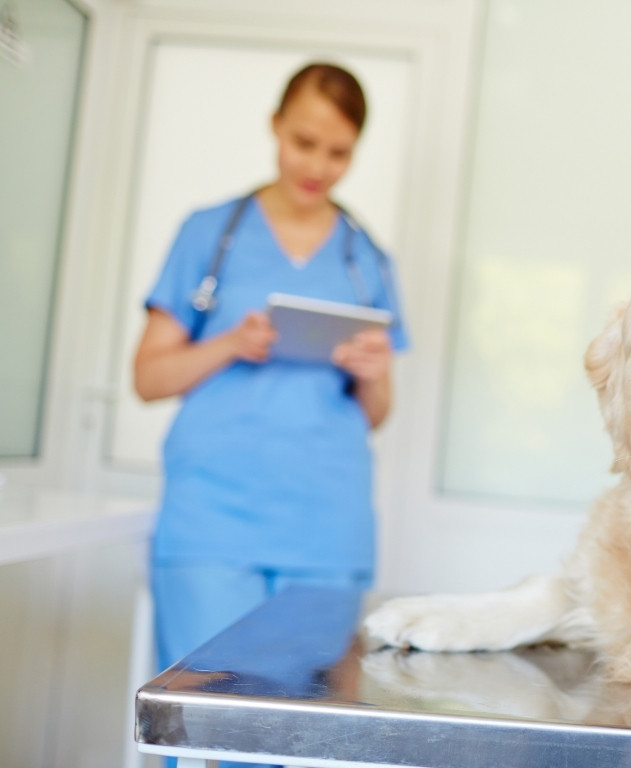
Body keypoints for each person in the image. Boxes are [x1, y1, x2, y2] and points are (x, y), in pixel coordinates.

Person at [133, 62, 408, 728]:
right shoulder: (210, 234)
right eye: (304, 143)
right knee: (206, 726)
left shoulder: (366, 259)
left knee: (304, 735)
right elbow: (148, 378)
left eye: (339, 152)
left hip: (325, 533)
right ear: (275, 128)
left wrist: (371, 368)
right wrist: (230, 343)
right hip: (213, 524)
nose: (318, 165)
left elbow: (376, 413)